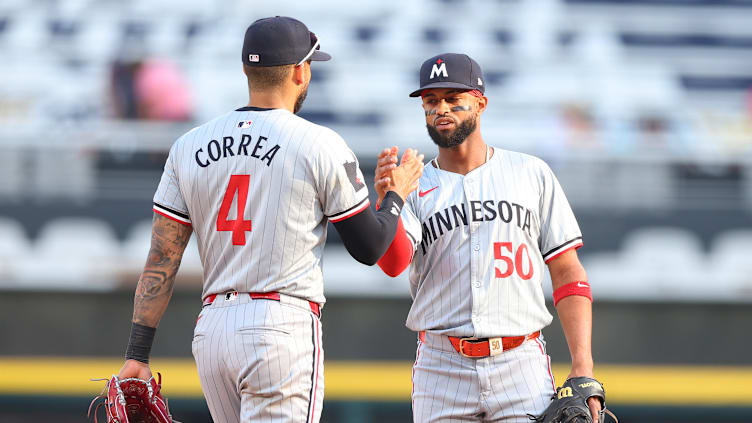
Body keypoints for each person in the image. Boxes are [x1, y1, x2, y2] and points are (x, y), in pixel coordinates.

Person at [115, 16, 424, 423]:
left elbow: (161, 258)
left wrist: (138, 352)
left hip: (213, 331)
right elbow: (369, 248)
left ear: (246, 69)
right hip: (279, 325)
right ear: (300, 70)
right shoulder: (318, 143)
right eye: (311, 64)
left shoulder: (188, 145)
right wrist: (397, 194)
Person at [373, 53, 601, 422]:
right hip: (441, 366)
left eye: (453, 98)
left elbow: (567, 270)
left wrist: (583, 365)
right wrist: (390, 201)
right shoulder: (413, 185)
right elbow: (394, 263)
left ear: (481, 102)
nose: (441, 108)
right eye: (431, 101)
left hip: (520, 359)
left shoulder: (531, 173)